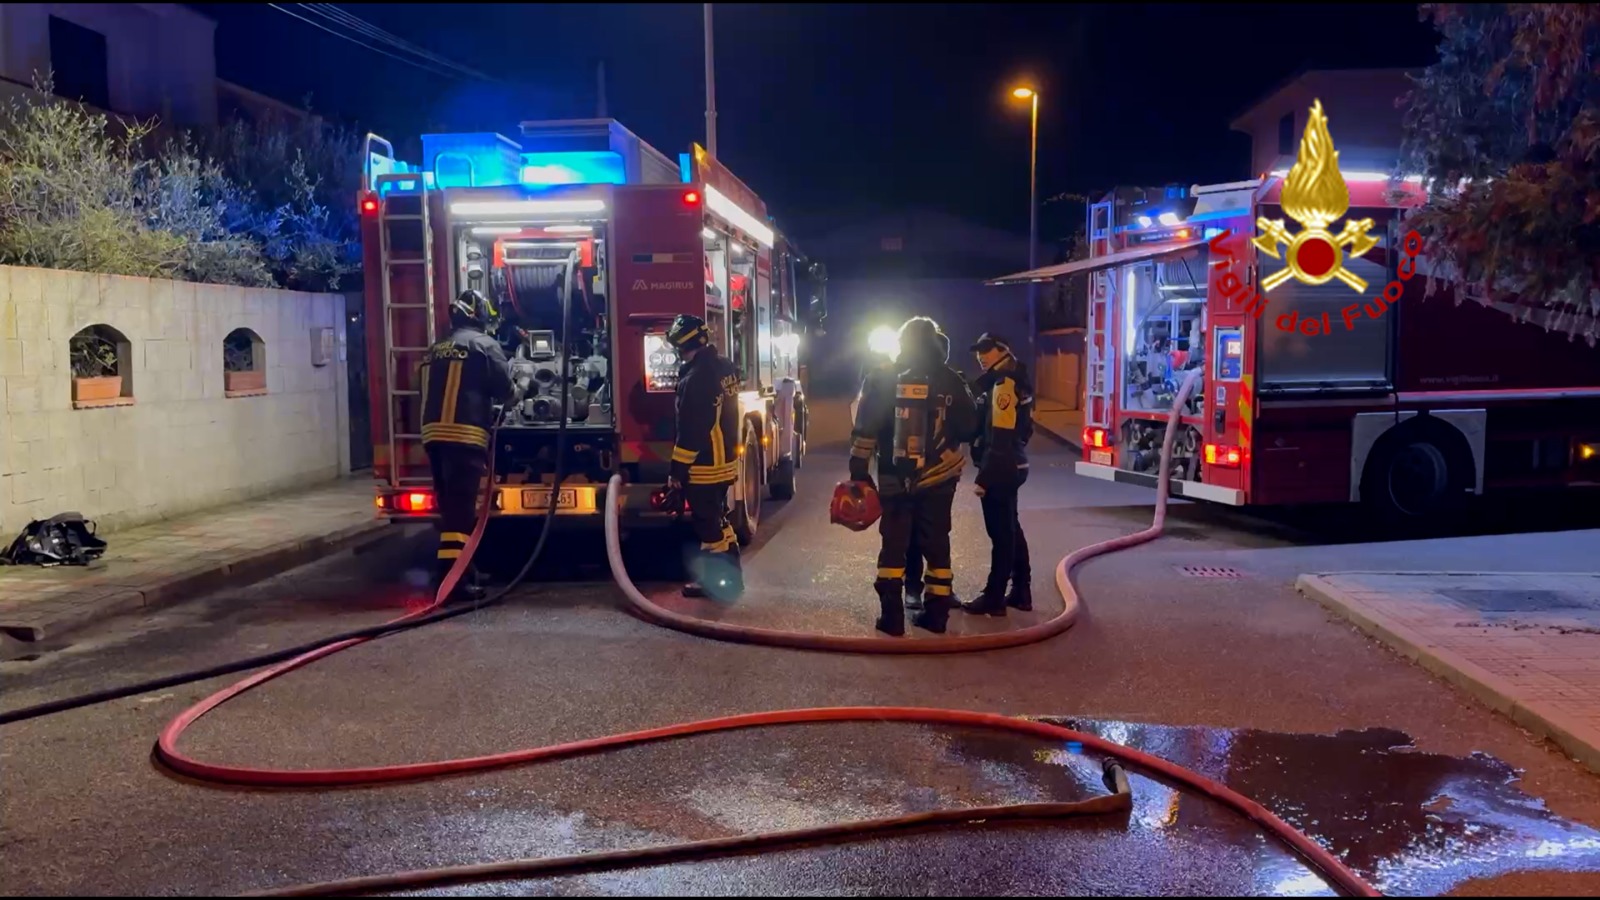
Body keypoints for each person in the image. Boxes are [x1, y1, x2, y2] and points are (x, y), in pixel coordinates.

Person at [849, 317, 977, 635]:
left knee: (893, 545)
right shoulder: (951, 379)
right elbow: (970, 426)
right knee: (936, 545)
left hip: (895, 477)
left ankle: (892, 618)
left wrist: (860, 472)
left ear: (902, 343)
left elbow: (865, 427)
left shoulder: (882, 377)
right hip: (939, 478)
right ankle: (936, 617)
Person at [420, 289, 515, 603]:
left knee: (450, 509)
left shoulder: (437, 348)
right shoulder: (485, 345)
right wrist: (522, 389)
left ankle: (464, 568)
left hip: (434, 437)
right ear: (480, 316)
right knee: (461, 514)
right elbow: (505, 391)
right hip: (465, 436)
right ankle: (453, 582)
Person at [665, 313, 744, 600]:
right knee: (719, 518)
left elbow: (692, 430)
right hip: (724, 462)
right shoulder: (724, 366)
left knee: (706, 524)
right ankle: (732, 574)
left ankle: (719, 583)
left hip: (705, 464)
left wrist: (677, 472)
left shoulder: (697, 378)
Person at [961, 333, 1035, 616]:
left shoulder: (1004, 385)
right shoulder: (1008, 380)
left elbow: (1000, 437)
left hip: (1002, 468)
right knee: (1011, 530)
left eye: (987, 350)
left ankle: (994, 598)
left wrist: (985, 477)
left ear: (1003, 350)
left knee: (1001, 535)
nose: (981, 356)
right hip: (1013, 465)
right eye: (979, 351)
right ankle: (1021, 591)